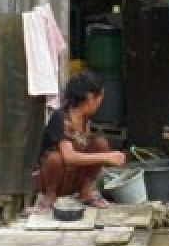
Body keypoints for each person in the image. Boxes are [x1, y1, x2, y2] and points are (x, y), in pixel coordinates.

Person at [34, 71, 126, 210]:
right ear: (89, 98)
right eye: (99, 98)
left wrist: (103, 155)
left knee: (100, 144)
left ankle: (85, 192)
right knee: (55, 158)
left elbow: (84, 150)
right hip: (53, 179)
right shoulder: (60, 118)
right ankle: (50, 195)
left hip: (72, 179)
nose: (100, 103)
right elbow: (69, 157)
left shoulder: (85, 119)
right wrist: (107, 156)